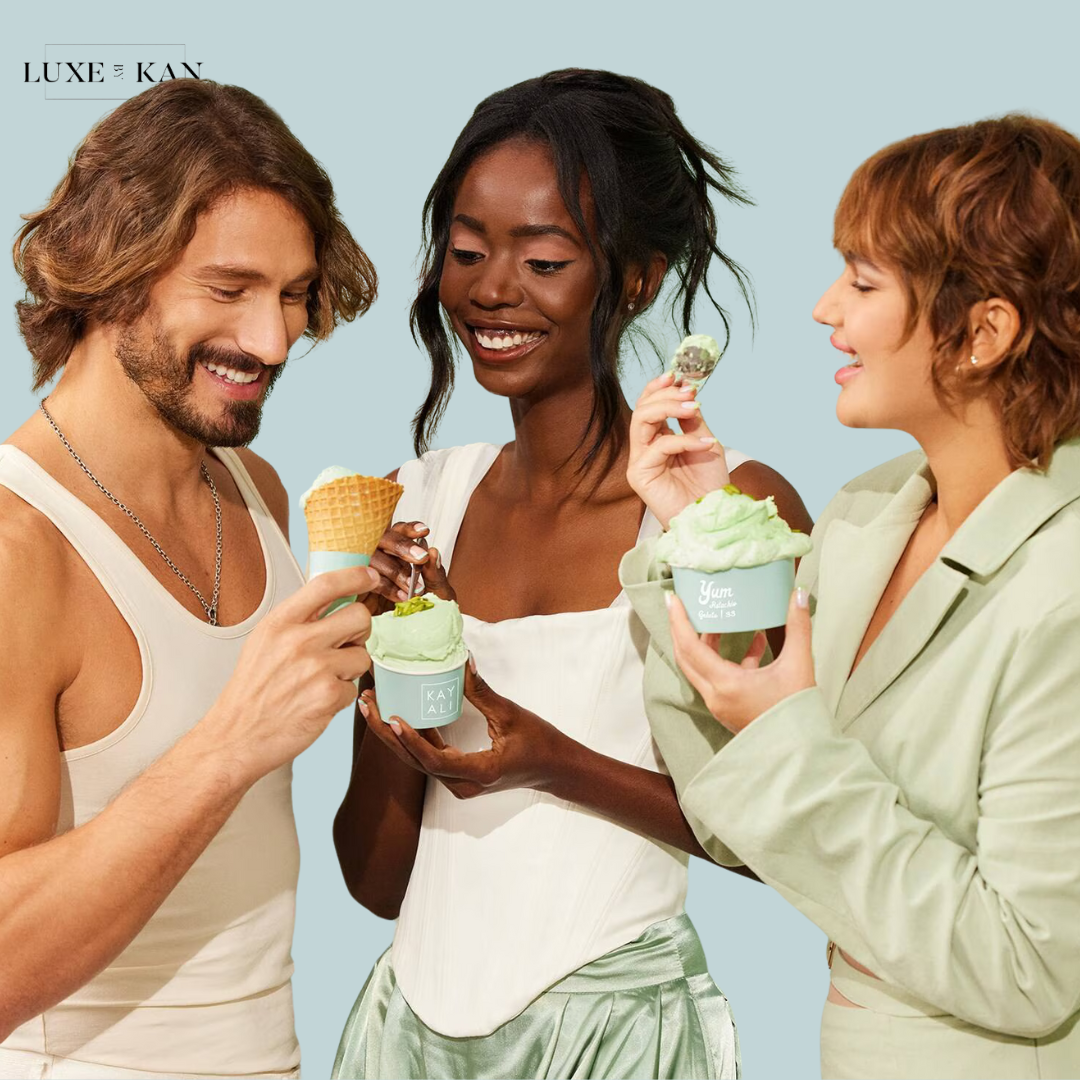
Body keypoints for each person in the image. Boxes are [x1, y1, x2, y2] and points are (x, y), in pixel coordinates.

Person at [332, 69, 812, 1080]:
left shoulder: (722, 515)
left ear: (634, 277)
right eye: (465, 252)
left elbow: (788, 830)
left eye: (543, 258)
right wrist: (397, 667)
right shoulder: (412, 507)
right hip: (403, 1041)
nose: (490, 289)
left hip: (619, 1038)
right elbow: (375, 881)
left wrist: (544, 756)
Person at [621, 114, 1080, 1079]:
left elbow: (1032, 966)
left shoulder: (1064, 584)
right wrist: (701, 532)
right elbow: (733, 810)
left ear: (985, 331)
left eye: (865, 282)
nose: (827, 309)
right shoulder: (866, 516)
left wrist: (787, 731)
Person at [0, 79, 379, 1080]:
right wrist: (231, 743)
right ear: (110, 268)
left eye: (294, 294)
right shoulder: (15, 554)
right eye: (229, 289)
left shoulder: (254, 490)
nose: (273, 340)